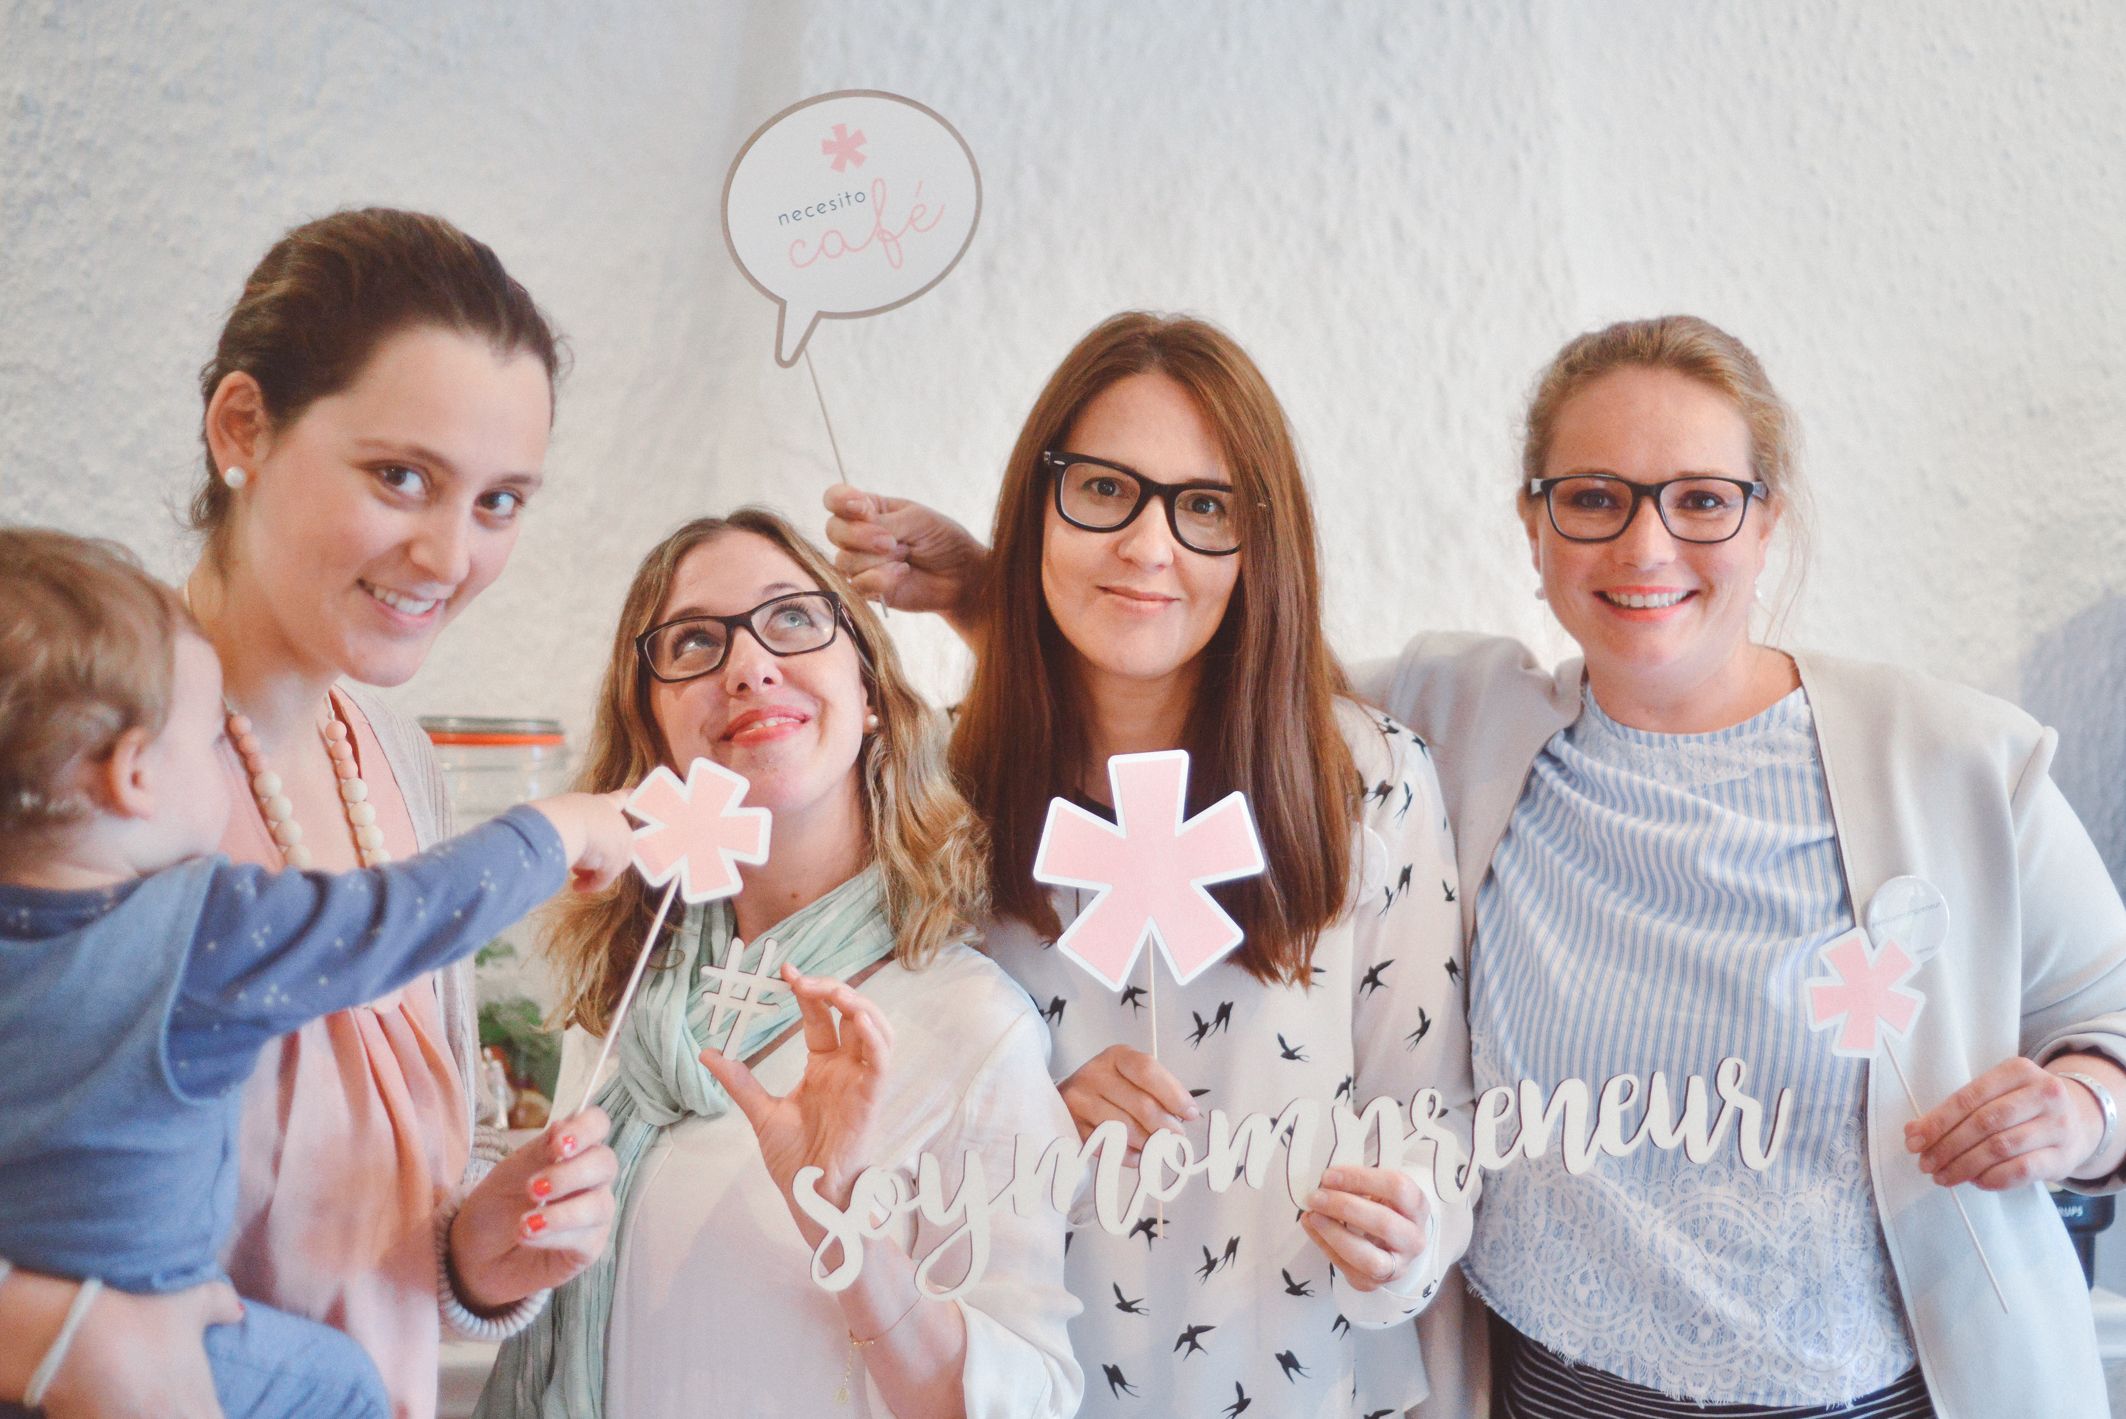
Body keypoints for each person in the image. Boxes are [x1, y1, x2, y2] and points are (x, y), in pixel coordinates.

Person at [827, 312, 2126, 1418]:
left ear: (1765, 517)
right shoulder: (1465, 722)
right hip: (1553, 1387)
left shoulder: (1953, 761)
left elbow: (2109, 1022)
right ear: (1534, 522)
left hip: (1872, 1391)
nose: (1645, 547)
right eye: (1594, 498)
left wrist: (2079, 1109)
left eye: (1699, 498)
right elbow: (1200, 663)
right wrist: (1003, 586)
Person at [0, 209, 623, 1419]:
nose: (449, 553)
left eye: (500, 503)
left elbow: (354, 1264)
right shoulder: (74, 781)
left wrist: (473, 1259)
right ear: (243, 427)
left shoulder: (391, 759)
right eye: (402, 477)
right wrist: (58, 1331)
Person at [830, 311, 1474, 1418]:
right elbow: (870, 1150)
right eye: (1102, 490)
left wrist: (1407, 1234)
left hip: (1304, 1378)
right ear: (1038, 505)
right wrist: (1023, 1117)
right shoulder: (931, 798)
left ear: (1260, 542)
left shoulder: (1367, 780)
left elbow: (1433, 1117)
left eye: (1204, 507)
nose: (1147, 545)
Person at [479, 510, 1082, 1419]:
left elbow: (1029, 1402)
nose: (749, 665)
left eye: (792, 618)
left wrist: (840, 1214)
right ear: (652, 724)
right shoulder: (620, 1010)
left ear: (870, 690)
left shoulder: (972, 1024)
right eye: (693, 640)